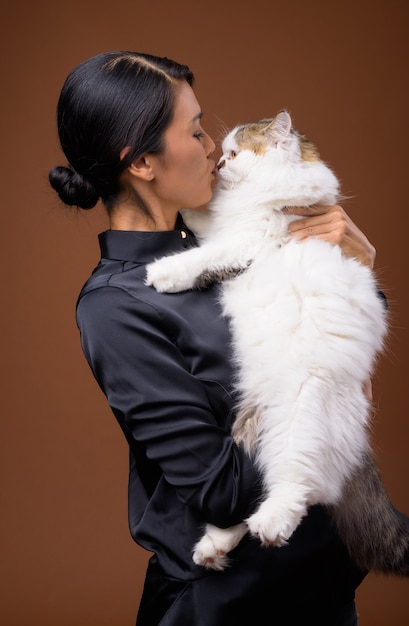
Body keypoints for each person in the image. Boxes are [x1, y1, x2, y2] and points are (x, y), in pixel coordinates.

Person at [49, 51, 377, 626]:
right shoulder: (116, 307)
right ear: (142, 162)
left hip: (322, 593)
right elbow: (222, 490)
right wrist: (319, 397)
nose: (211, 149)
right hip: (228, 607)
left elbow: (352, 391)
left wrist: (359, 275)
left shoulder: (244, 238)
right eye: (196, 131)